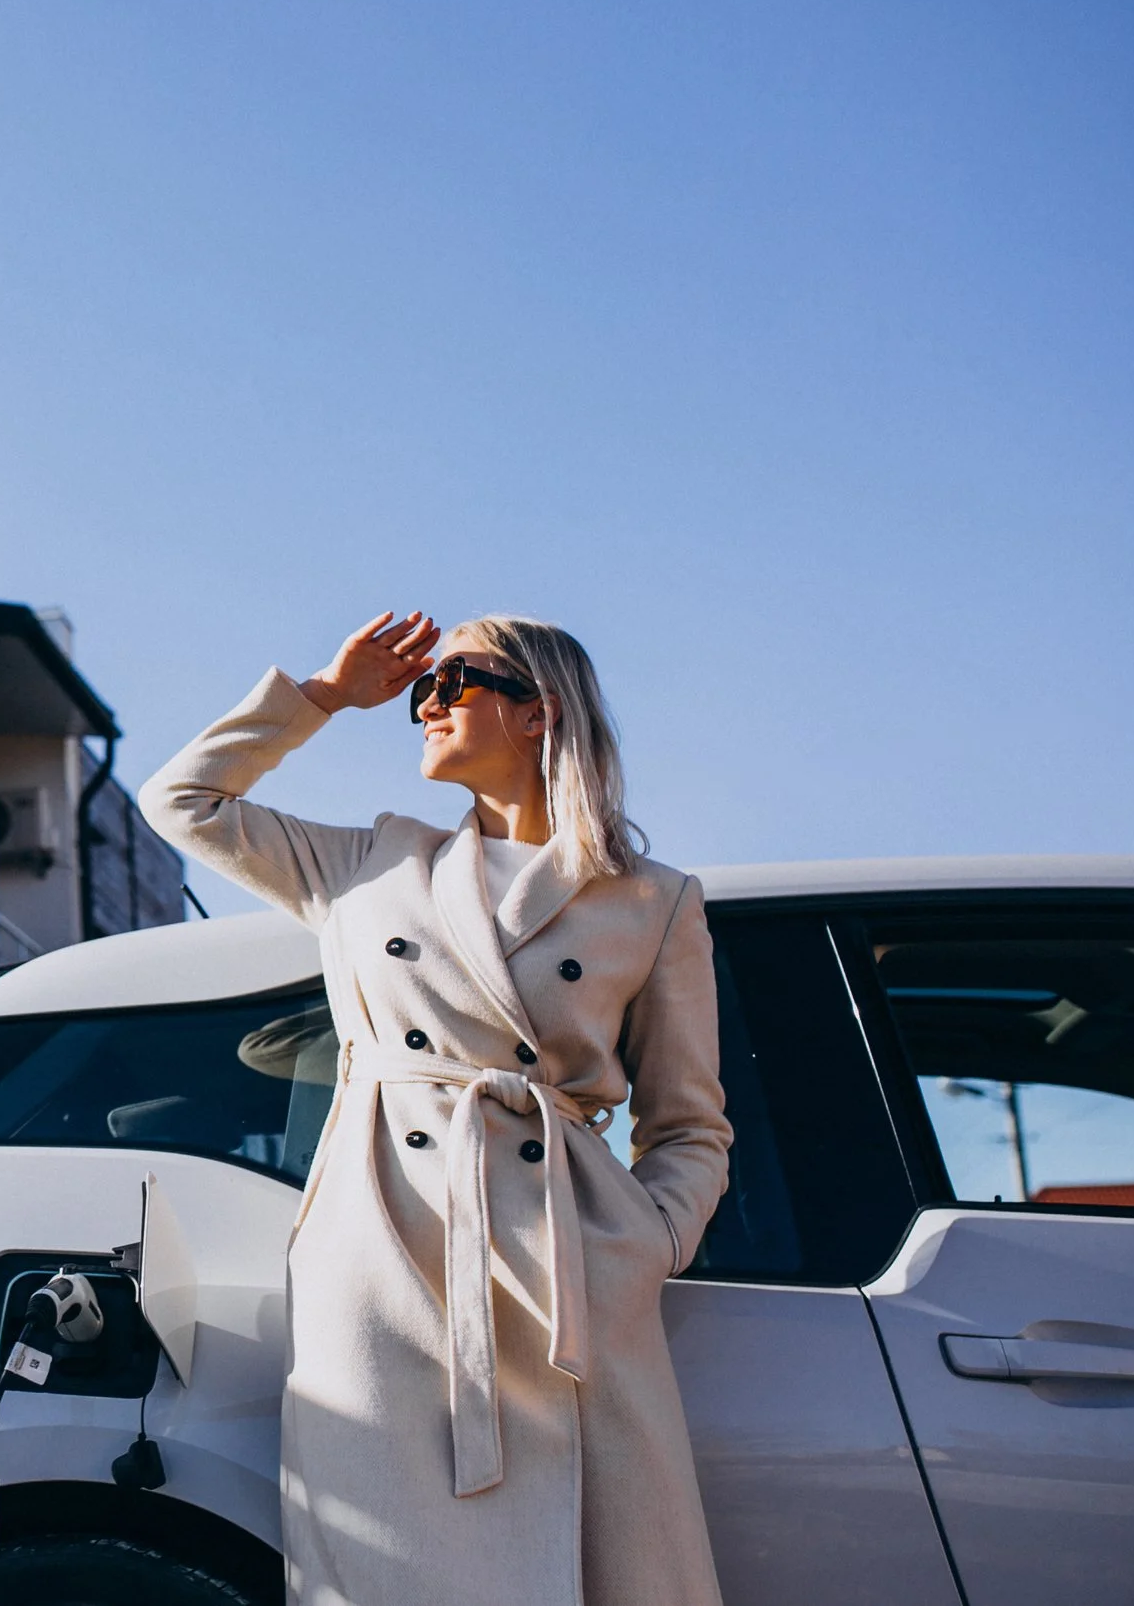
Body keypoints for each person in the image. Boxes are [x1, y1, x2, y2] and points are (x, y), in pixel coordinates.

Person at [139, 612, 731, 1606]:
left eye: (453, 679)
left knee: (602, 1562)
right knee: (381, 1559)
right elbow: (182, 800)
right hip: (384, 1248)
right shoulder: (370, 862)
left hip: (565, 1269)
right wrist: (324, 695)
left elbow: (688, 1124)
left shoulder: (651, 900)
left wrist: (645, 1241)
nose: (423, 701)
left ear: (538, 709)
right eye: (421, 688)